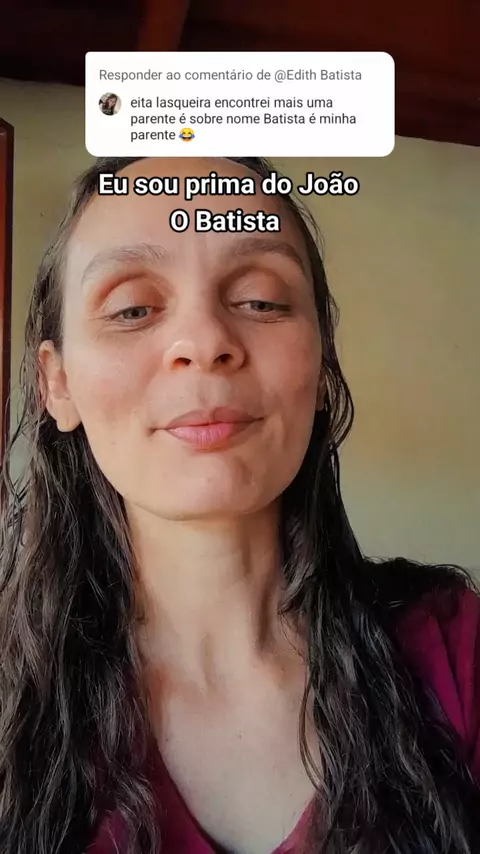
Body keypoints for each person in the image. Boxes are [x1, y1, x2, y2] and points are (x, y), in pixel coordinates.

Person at [0, 155, 478, 854]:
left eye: (260, 300)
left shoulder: (455, 654)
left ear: (321, 361)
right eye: (132, 309)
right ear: (58, 384)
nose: (206, 343)